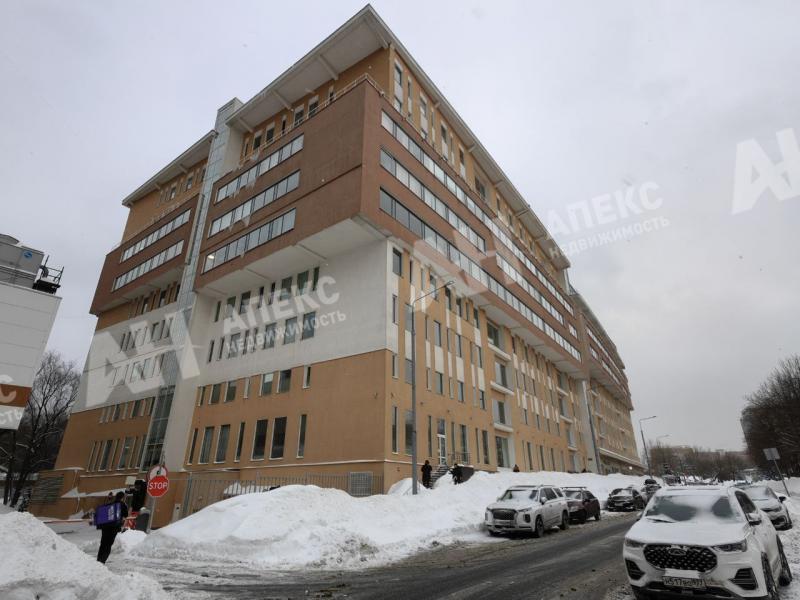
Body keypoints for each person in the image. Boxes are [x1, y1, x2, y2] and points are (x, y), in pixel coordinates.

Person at [96, 491, 128, 564]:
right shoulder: (123, 505)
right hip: (114, 527)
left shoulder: (110, 504)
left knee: (103, 543)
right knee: (108, 544)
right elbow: (125, 515)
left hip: (105, 527)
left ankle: (98, 560)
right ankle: (102, 561)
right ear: (122, 498)